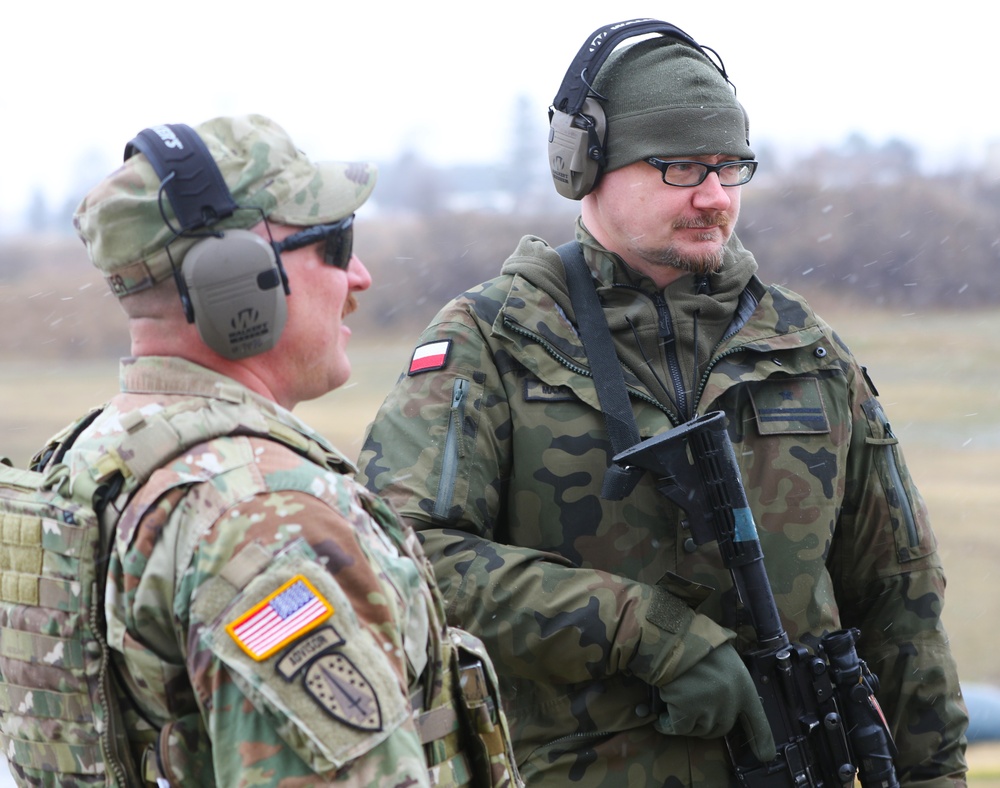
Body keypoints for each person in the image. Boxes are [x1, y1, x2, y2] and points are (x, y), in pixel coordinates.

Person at [355, 20, 969, 787]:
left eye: (729, 167)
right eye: (678, 166)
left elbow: (900, 597)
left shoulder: (807, 349)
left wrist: (934, 773)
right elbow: (399, 559)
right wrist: (645, 634)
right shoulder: (493, 342)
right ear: (586, 168)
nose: (713, 196)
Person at [8, 114, 519, 787]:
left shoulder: (80, 465)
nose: (359, 276)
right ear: (238, 279)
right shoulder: (268, 521)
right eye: (335, 245)